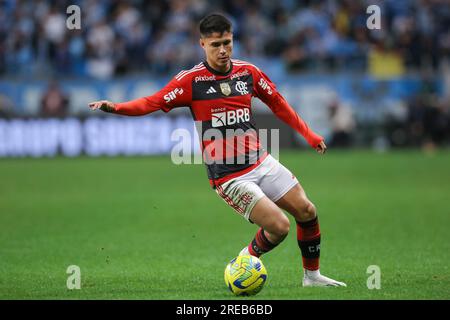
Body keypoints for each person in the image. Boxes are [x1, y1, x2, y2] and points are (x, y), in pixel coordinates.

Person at [89, 14, 346, 287]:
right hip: (229, 176)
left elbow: (278, 103)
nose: (222, 50)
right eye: (215, 45)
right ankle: (243, 261)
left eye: (227, 43)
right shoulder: (191, 81)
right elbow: (151, 103)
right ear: (202, 44)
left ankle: (312, 277)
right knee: (279, 227)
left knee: (307, 211)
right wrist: (116, 107)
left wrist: (308, 134)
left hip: (261, 161)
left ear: (233, 40)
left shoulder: (248, 73)